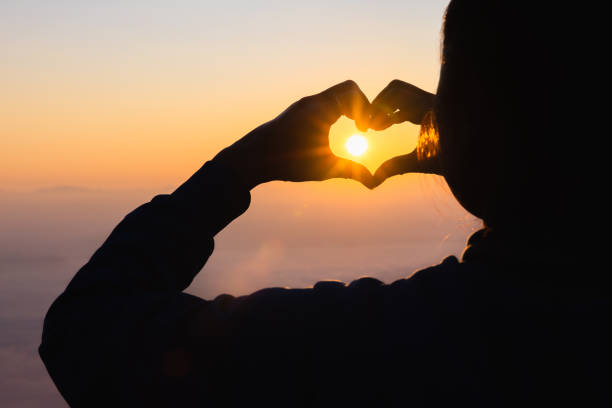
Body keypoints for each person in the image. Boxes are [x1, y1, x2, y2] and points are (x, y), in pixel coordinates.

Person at [40, 1, 609, 406]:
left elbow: (86, 333)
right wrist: (481, 140)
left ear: (477, 121)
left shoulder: (387, 346)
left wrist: (242, 165)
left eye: (452, 87)